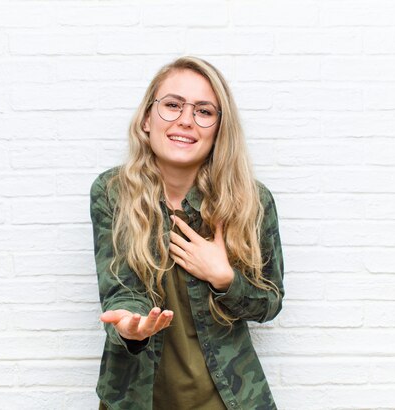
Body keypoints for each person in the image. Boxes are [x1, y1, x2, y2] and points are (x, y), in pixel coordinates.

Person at [90, 56, 284, 410]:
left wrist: (225, 279)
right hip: (135, 397)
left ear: (219, 129)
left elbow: (269, 302)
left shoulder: (252, 201)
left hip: (228, 399)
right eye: (173, 105)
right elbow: (121, 290)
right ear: (147, 118)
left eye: (204, 111)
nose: (185, 120)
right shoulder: (112, 192)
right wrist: (129, 327)